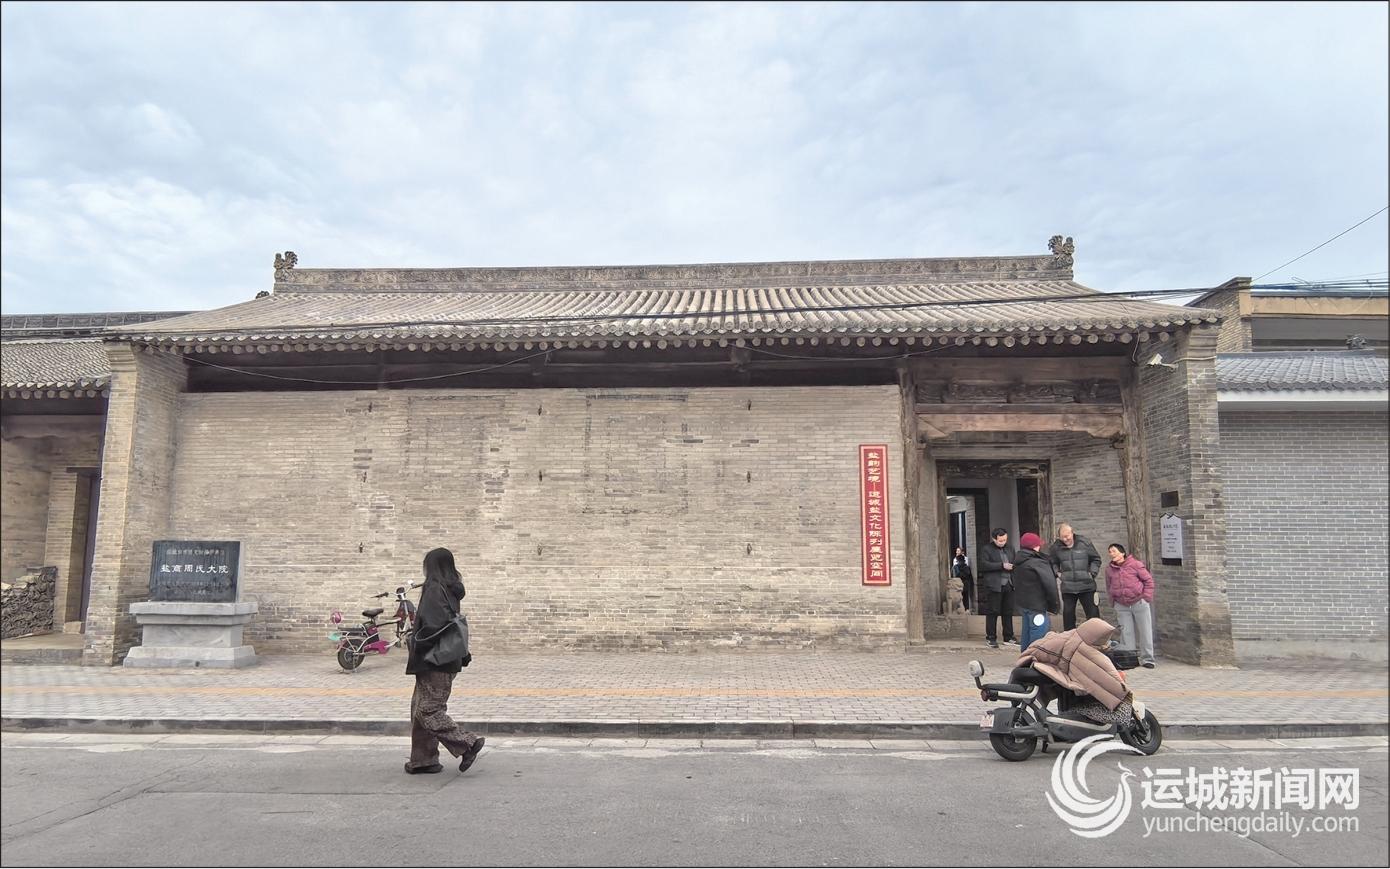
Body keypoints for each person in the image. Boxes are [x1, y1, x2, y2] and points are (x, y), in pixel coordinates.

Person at [404, 547, 485, 774]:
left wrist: (416, 641)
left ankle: (467, 743)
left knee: (428, 711)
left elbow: (433, 625)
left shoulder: (434, 588)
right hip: (446, 657)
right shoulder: (451, 589)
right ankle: (423, 760)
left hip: (434, 659)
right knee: (419, 709)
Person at [1105, 543, 1156, 669]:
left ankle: (1148, 659)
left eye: (1114, 551)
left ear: (1122, 553)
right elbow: (1108, 585)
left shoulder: (1135, 564)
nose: (1112, 554)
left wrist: (1146, 597)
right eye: (1110, 552)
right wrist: (1113, 601)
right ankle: (1130, 659)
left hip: (1138, 601)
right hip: (1121, 604)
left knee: (1145, 631)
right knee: (1126, 633)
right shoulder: (1109, 569)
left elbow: (1148, 581)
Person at [1048, 523, 1102, 631]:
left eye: (1067, 535)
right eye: (1063, 537)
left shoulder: (1085, 543)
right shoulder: (1055, 548)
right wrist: (1057, 573)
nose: (1066, 539)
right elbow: (1053, 562)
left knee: (1093, 614)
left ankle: (1096, 637)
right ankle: (1070, 638)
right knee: (1068, 615)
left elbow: (1096, 559)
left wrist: (1092, 573)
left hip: (1086, 585)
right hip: (1068, 587)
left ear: (1072, 533)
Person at [1012, 532, 1061, 650]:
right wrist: (1054, 605)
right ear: (1034, 547)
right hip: (1038, 605)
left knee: (1026, 632)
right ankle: (1034, 657)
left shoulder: (1018, 561)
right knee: (1038, 633)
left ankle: (1025, 656)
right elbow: (1050, 584)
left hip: (1024, 604)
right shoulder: (1037, 563)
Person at [977, 528, 1017, 648]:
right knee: (993, 611)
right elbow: (983, 565)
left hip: (1009, 583)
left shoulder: (1010, 548)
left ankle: (1008, 636)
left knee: (1008, 611)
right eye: (1000, 541)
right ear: (994, 539)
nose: (1003, 542)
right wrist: (1001, 565)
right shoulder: (986, 549)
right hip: (994, 584)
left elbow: (1015, 561)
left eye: (1004, 540)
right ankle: (991, 637)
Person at [951, 547, 974, 613]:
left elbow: (954, 575)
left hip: (957, 584)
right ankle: (966, 609)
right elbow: (970, 576)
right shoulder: (967, 567)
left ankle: (959, 610)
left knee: (958, 598)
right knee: (966, 597)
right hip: (965, 583)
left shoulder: (955, 567)